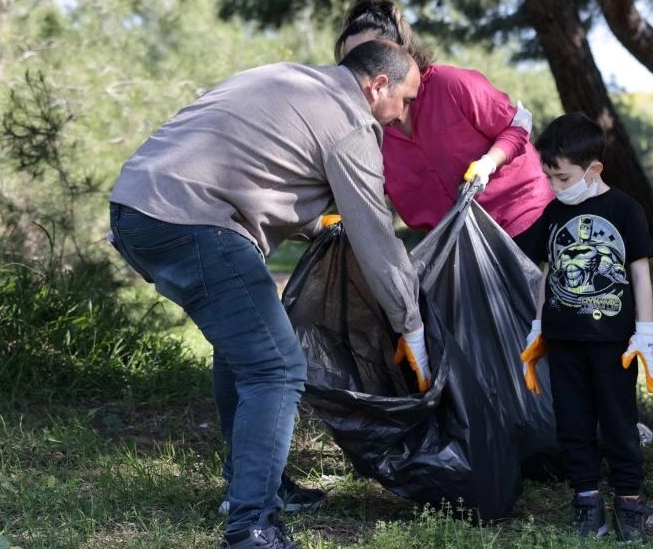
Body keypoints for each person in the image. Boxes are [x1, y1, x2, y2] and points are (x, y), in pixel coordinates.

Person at [108, 40, 431, 549]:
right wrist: (410, 322)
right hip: (193, 221)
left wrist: (316, 221)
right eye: (407, 100)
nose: (404, 114)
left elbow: (258, 168)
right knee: (277, 368)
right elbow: (375, 235)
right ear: (378, 86)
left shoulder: (287, 77)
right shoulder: (351, 123)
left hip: (135, 209)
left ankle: (255, 485)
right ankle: (251, 527)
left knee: (243, 355)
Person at [515, 112, 653, 541]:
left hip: (613, 343)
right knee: (571, 424)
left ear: (595, 169)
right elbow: (546, 272)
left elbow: (640, 272)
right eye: (549, 177)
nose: (555, 187)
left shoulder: (625, 210)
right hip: (564, 340)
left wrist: (645, 331)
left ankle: (629, 501)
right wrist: (538, 326)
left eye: (564, 178)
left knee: (619, 423)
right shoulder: (553, 213)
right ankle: (586, 500)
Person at [334, 0, 554, 245]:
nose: (363, 66)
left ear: (401, 51)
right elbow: (368, 189)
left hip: (522, 218)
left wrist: (488, 163)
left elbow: (516, 128)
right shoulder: (367, 130)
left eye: (372, 53)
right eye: (353, 60)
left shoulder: (451, 84)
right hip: (459, 244)